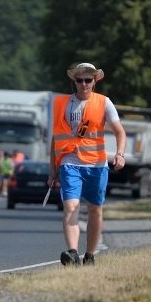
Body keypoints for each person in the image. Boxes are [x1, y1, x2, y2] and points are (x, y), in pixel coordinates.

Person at [48, 62, 126, 266]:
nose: (84, 84)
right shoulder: (61, 104)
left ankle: (90, 255)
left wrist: (120, 154)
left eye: (88, 80)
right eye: (79, 80)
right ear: (74, 81)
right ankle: (73, 253)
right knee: (71, 206)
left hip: (97, 165)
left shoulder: (104, 102)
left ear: (95, 81)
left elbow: (120, 132)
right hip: (69, 163)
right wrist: (52, 169)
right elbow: (56, 139)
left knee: (95, 210)